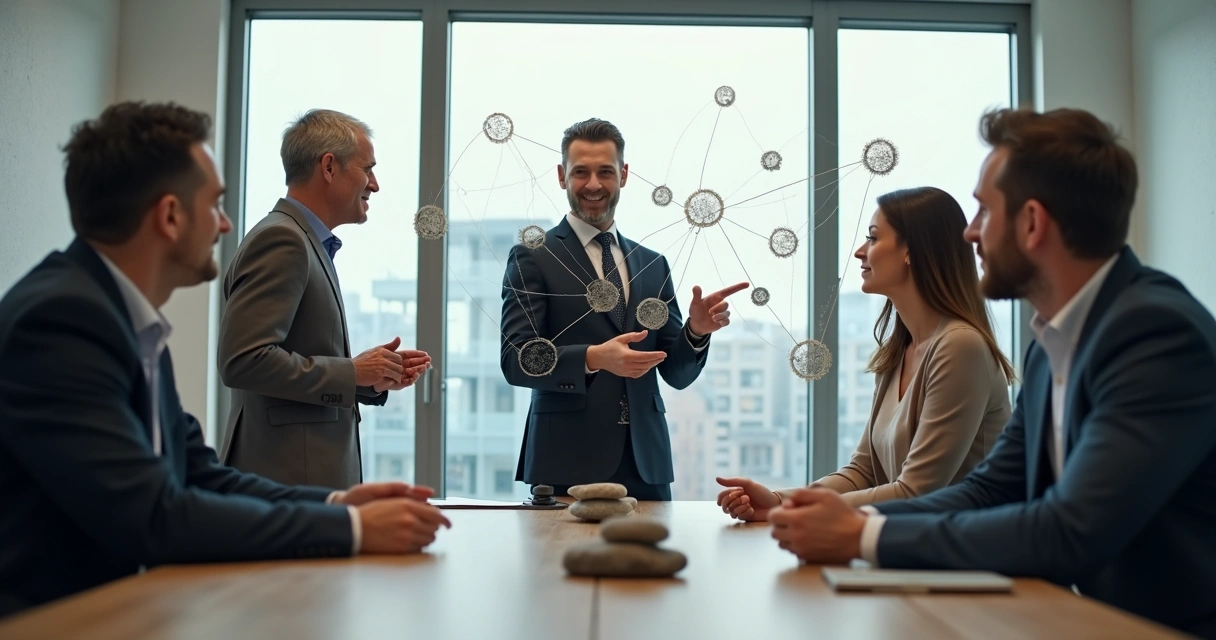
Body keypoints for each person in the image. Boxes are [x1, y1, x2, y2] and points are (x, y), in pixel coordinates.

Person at [767, 107, 1216, 638]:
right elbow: (989, 491)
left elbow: (1070, 529)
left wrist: (861, 538)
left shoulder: (1153, 332)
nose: (971, 234)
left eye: (982, 212)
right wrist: (842, 520)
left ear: (1031, 223)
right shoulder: (1051, 343)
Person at [0, 102, 450, 618]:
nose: (225, 224)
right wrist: (350, 529)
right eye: (214, 204)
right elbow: (156, 513)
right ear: (170, 215)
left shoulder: (124, 320)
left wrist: (335, 505)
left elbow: (198, 472)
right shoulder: (64, 320)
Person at [716, 187, 1013, 520]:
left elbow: (916, 490)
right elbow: (864, 471)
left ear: (911, 251)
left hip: (964, 559)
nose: (860, 252)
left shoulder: (960, 347)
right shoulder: (898, 352)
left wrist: (798, 508)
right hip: (912, 548)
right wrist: (777, 500)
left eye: (873, 238)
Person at [501, 117, 747, 501]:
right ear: (562, 176)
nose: (594, 184)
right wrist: (595, 358)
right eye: (581, 172)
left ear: (625, 175)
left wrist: (696, 333)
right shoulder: (533, 257)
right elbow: (517, 359)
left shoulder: (652, 264)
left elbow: (676, 373)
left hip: (646, 463)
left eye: (605, 172)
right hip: (564, 461)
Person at [218, 109, 431, 489]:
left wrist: (371, 377)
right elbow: (244, 361)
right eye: (368, 169)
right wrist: (353, 372)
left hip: (298, 483)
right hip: (286, 485)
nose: (375, 184)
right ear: (329, 167)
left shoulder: (304, 241)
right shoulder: (283, 241)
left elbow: (290, 357)